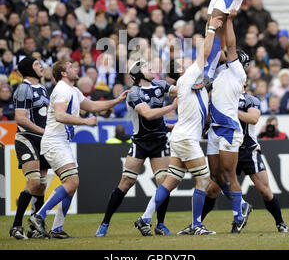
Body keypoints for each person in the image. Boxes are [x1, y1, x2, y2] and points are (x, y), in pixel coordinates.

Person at [134, 15, 223, 236]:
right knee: (203, 180)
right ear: (181, 71)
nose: (188, 63)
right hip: (187, 139)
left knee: (170, 181)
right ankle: (196, 225)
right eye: (183, 63)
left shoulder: (191, 81)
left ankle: (145, 218)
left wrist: (217, 33)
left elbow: (210, 64)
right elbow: (204, 53)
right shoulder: (188, 78)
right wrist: (211, 28)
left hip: (180, 137)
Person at [29, 60, 129, 238]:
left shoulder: (73, 90)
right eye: (70, 67)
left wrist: (117, 100)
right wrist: (85, 121)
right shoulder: (61, 89)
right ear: (64, 74)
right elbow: (59, 115)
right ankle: (39, 216)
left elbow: (92, 106)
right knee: (72, 182)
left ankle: (57, 229)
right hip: (54, 141)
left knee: (71, 185)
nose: (75, 68)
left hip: (61, 142)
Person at [179, 91, 289, 234]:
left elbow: (254, 118)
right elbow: (207, 119)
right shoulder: (218, 99)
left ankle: (280, 223)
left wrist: (231, 112)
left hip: (248, 151)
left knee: (265, 190)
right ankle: (197, 224)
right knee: (212, 190)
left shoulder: (249, 100)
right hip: (228, 149)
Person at [95, 60, 178, 237]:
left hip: (160, 141)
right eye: (147, 67)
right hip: (140, 142)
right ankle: (104, 223)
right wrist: (171, 107)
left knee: (164, 184)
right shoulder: (134, 93)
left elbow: (182, 91)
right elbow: (147, 114)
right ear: (138, 74)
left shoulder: (160, 85)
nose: (151, 69)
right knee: (126, 183)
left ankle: (160, 225)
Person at [206, 11, 249, 233]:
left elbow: (229, 48)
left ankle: (237, 216)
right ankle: (241, 205)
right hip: (215, 129)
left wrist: (229, 21)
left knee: (229, 174)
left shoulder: (237, 73)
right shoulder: (222, 72)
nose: (227, 55)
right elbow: (223, 47)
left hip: (230, 129)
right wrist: (218, 24)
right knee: (216, 175)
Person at [10, 56, 50, 240]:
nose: (41, 66)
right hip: (27, 139)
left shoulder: (42, 88)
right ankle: (16, 226)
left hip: (42, 140)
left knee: (41, 185)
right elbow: (21, 118)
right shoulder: (23, 88)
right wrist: (44, 132)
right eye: (36, 64)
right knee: (33, 182)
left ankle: (35, 227)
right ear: (28, 68)